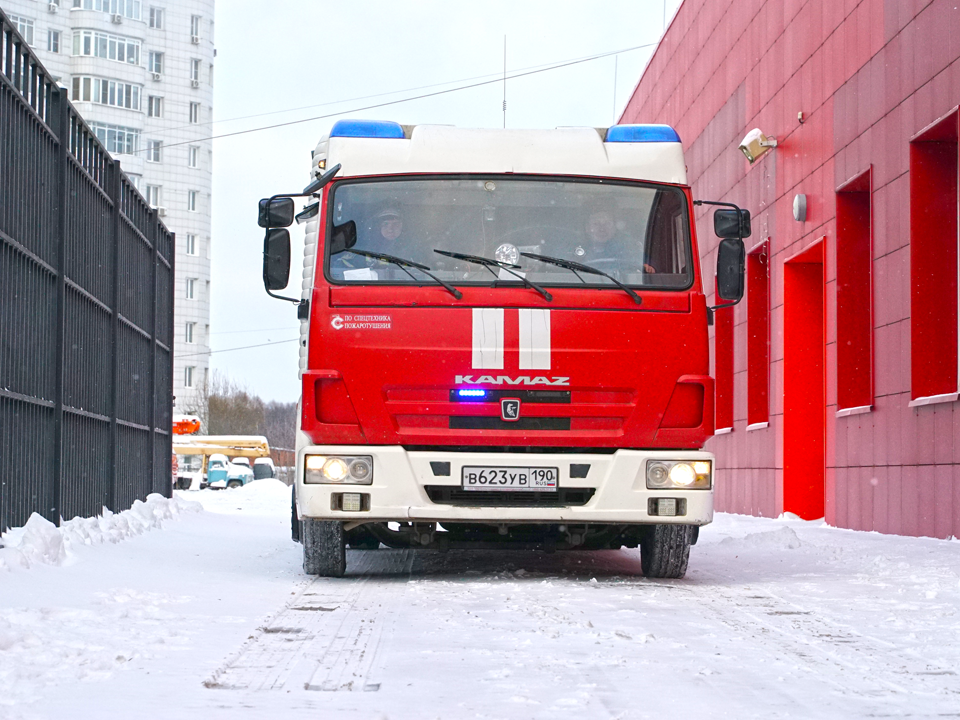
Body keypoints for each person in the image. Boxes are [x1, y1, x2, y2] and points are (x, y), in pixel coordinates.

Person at [575, 206, 655, 274]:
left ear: (615, 228)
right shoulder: (575, 251)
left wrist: (646, 268)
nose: (602, 229)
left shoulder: (631, 250)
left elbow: (647, 271)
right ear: (587, 228)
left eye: (607, 224)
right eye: (596, 224)